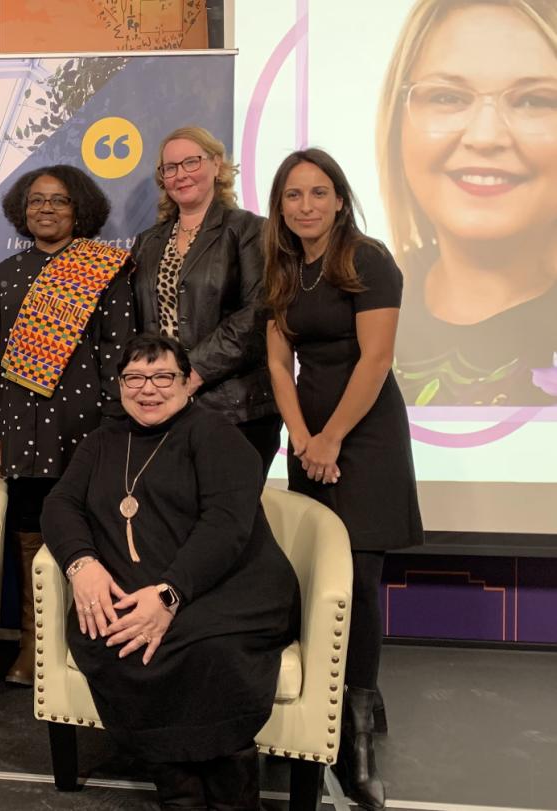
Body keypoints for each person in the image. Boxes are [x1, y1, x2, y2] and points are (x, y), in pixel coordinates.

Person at [41, 333, 299, 809]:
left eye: (163, 377)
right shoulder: (101, 442)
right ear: (120, 385)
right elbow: (60, 505)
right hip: (133, 590)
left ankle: (231, 798)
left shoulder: (216, 435)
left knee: (209, 650)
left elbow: (226, 527)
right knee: (121, 637)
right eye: (135, 377)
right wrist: (82, 564)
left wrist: (169, 595)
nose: (148, 389)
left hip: (226, 587)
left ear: (187, 383)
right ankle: (179, 793)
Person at [263, 148, 424, 811]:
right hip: (311, 433)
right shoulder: (280, 267)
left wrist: (331, 437)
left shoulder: (368, 258)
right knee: (319, 573)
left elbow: (378, 357)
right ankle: (330, 701)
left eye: (318, 192)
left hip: (367, 431)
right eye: (293, 194)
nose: (306, 205)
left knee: (358, 577)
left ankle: (355, 730)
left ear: (339, 198)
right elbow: (277, 361)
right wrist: (301, 437)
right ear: (281, 205)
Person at [0, 164, 134, 687]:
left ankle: (83, 639)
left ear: (79, 210)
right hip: (21, 423)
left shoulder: (104, 268)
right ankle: (32, 642)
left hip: (85, 419)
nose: (46, 209)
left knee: (89, 529)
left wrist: (114, 421)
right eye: (36, 200)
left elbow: (118, 350)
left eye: (59, 200)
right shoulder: (9, 272)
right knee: (28, 526)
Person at [377, 0, 557, 405]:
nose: (485, 136)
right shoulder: (361, 297)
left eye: (533, 101)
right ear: (397, 122)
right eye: (447, 96)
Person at [132, 126, 280, 476]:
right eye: (170, 168)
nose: (181, 174)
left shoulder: (249, 230)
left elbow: (258, 313)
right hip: (166, 407)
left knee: (230, 519)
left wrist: (193, 371)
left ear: (217, 165)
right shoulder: (147, 242)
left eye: (191, 162)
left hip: (236, 408)